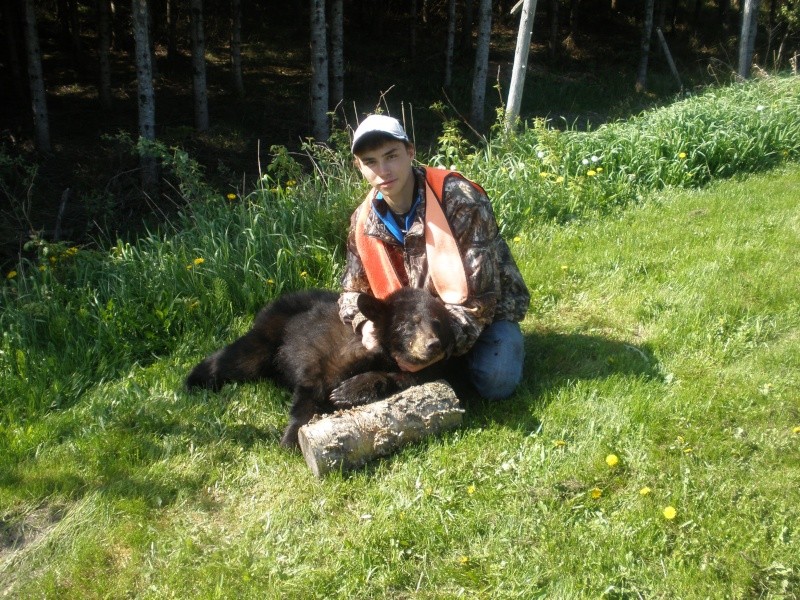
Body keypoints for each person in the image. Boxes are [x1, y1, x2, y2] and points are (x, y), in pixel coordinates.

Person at [338, 114, 530, 400]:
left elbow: (482, 301)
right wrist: (365, 324)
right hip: (413, 326)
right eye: (371, 162)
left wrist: (434, 347)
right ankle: (441, 372)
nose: (383, 170)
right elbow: (351, 292)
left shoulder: (458, 200)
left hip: (482, 318)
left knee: (496, 382)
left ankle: (456, 364)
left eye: (391, 156)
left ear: (410, 151)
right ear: (359, 166)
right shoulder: (363, 221)